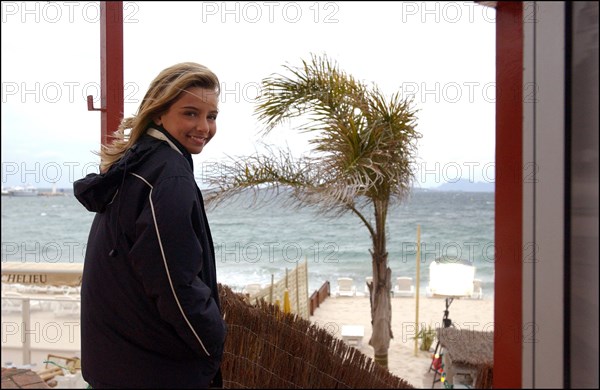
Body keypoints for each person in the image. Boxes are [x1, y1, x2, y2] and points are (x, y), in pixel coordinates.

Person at [73, 62, 227, 388]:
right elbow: (174, 282)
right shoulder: (168, 176)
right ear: (158, 114)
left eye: (211, 116)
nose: (204, 126)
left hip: (116, 364)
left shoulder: (136, 165)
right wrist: (212, 342)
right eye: (190, 113)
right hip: (155, 370)